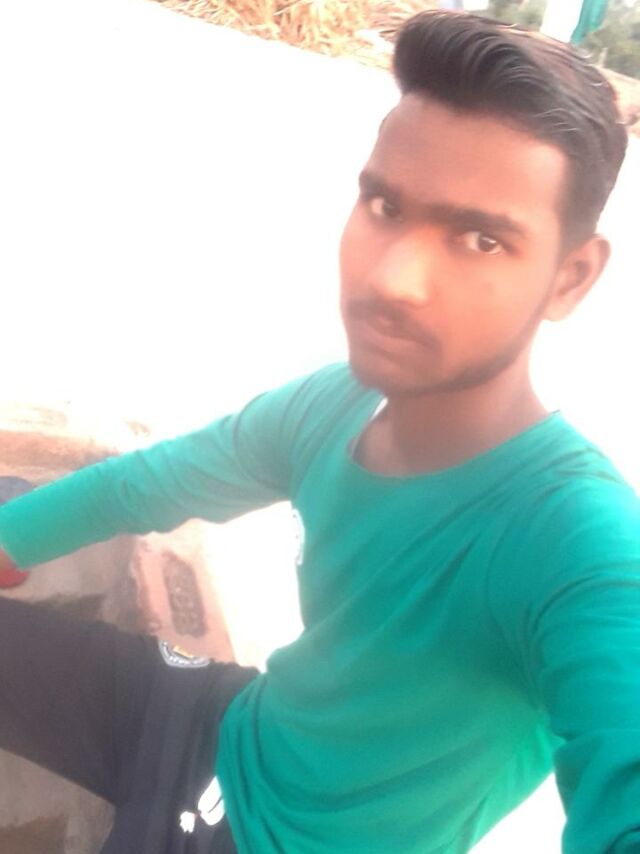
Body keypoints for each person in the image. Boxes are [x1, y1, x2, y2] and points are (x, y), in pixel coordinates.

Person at [0, 10, 637, 854]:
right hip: (226, 723)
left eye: (481, 239)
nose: (395, 278)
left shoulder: (577, 540)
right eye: (385, 205)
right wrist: (10, 539)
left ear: (571, 277)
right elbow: (148, 483)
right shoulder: (336, 403)